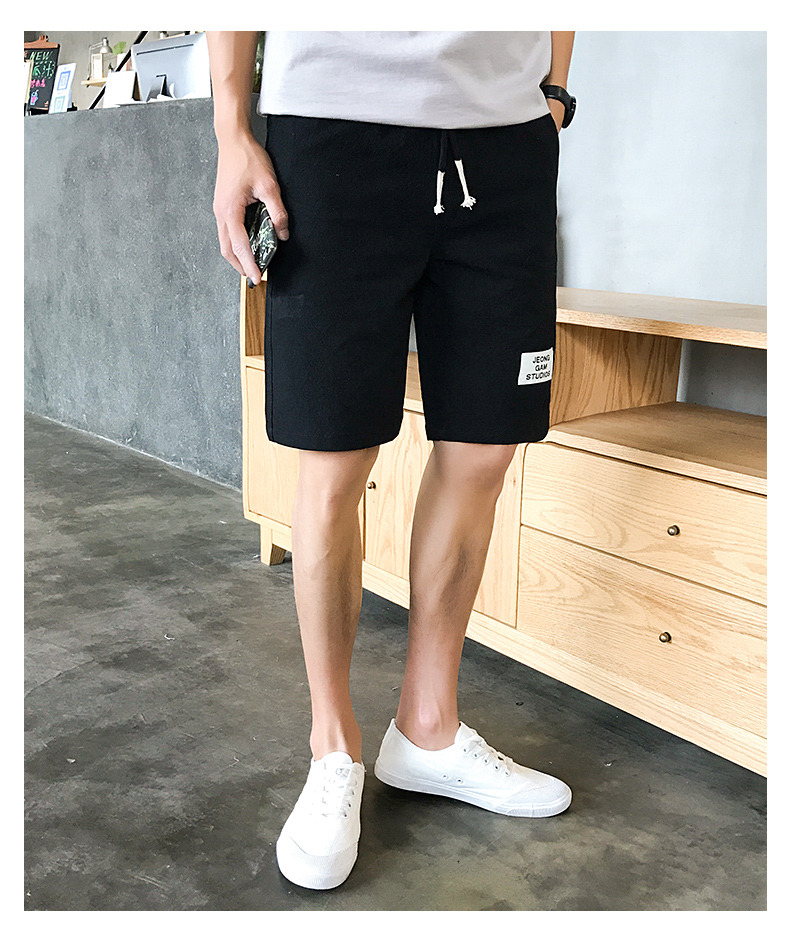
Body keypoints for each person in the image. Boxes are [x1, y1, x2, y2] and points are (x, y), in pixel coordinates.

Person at [207, 30, 576, 891]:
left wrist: (555, 91)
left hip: (505, 146)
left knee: (486, 446)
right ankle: (332, 748)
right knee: (335, 460)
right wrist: (232, 128)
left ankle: (428, 730)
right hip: (332, 133)